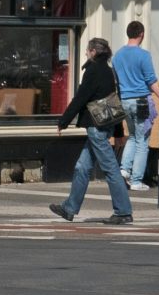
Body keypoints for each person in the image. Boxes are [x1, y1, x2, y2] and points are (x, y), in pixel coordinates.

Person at [50, 37, 134, 224]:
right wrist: (119, 133)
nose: (86, 53)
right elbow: (115, 103)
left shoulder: (93, 70)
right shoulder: (111, 72)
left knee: (111, 169)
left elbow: (80, 98)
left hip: (96, 128)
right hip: (106, 126)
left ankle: (123, 211)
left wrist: (63, 121)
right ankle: (69, 208)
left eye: (87, 50)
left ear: (94, 52)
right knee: (82, 167)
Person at [112, 20, 158, 193]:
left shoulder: (117, 55)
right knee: (142, 141)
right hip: (141, 102)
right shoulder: (144, 55)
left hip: (124, 101)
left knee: (132, 136)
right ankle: (137, 180)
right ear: (142, 34)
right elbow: (151, 82)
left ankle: (124, 170)